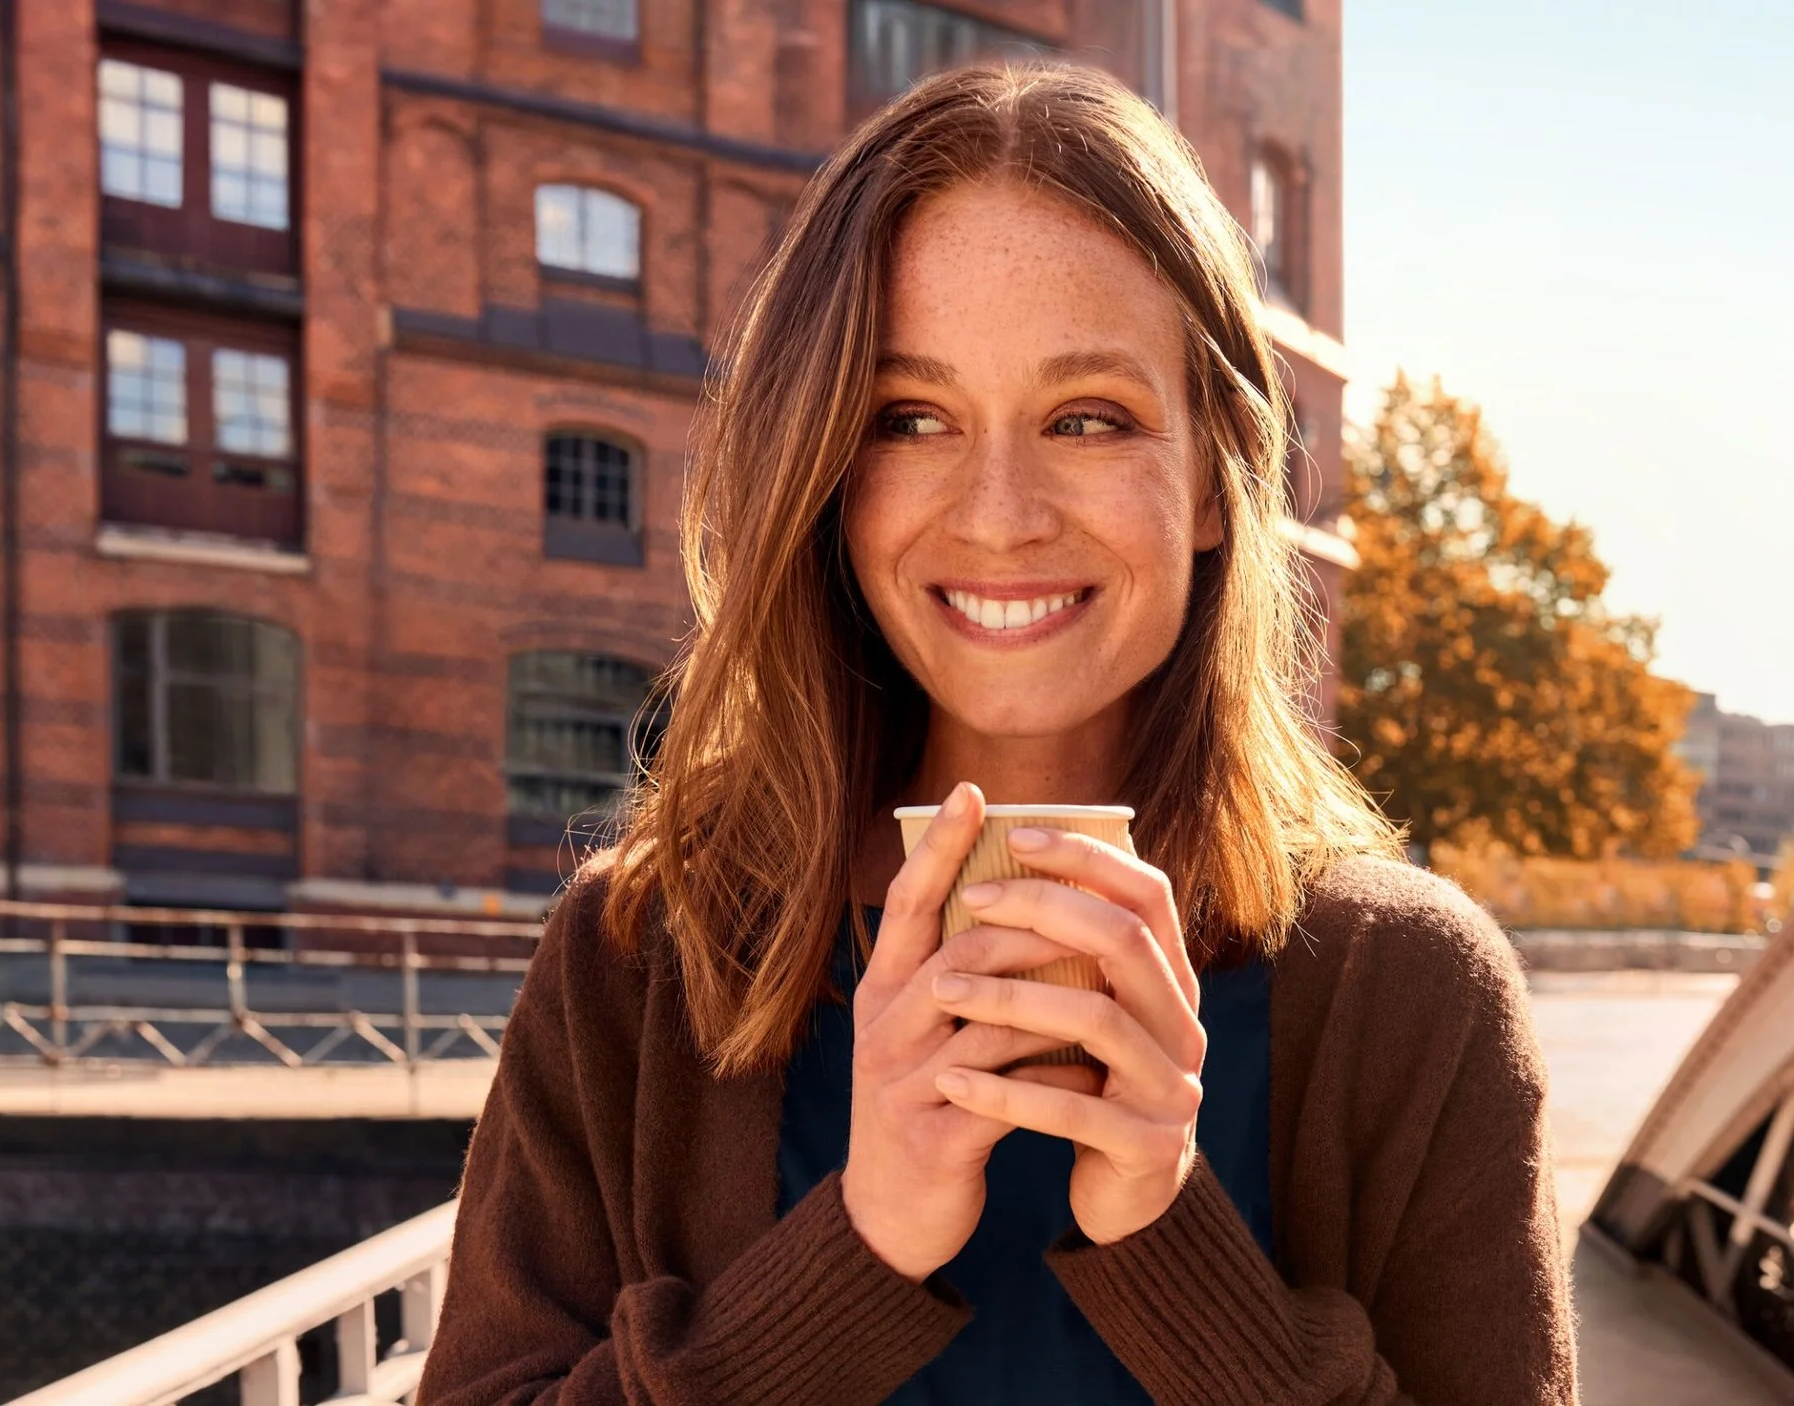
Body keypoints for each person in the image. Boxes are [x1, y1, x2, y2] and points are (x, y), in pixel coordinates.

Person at [421, 61, 1575, 1405]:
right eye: (910, 418)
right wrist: (856, 1254)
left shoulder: (1410, 995)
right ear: (827, 475)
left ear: (1216, 477)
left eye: (1089, 418)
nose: (1001, 511)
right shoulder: (636, 964)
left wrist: (1167, 1231)